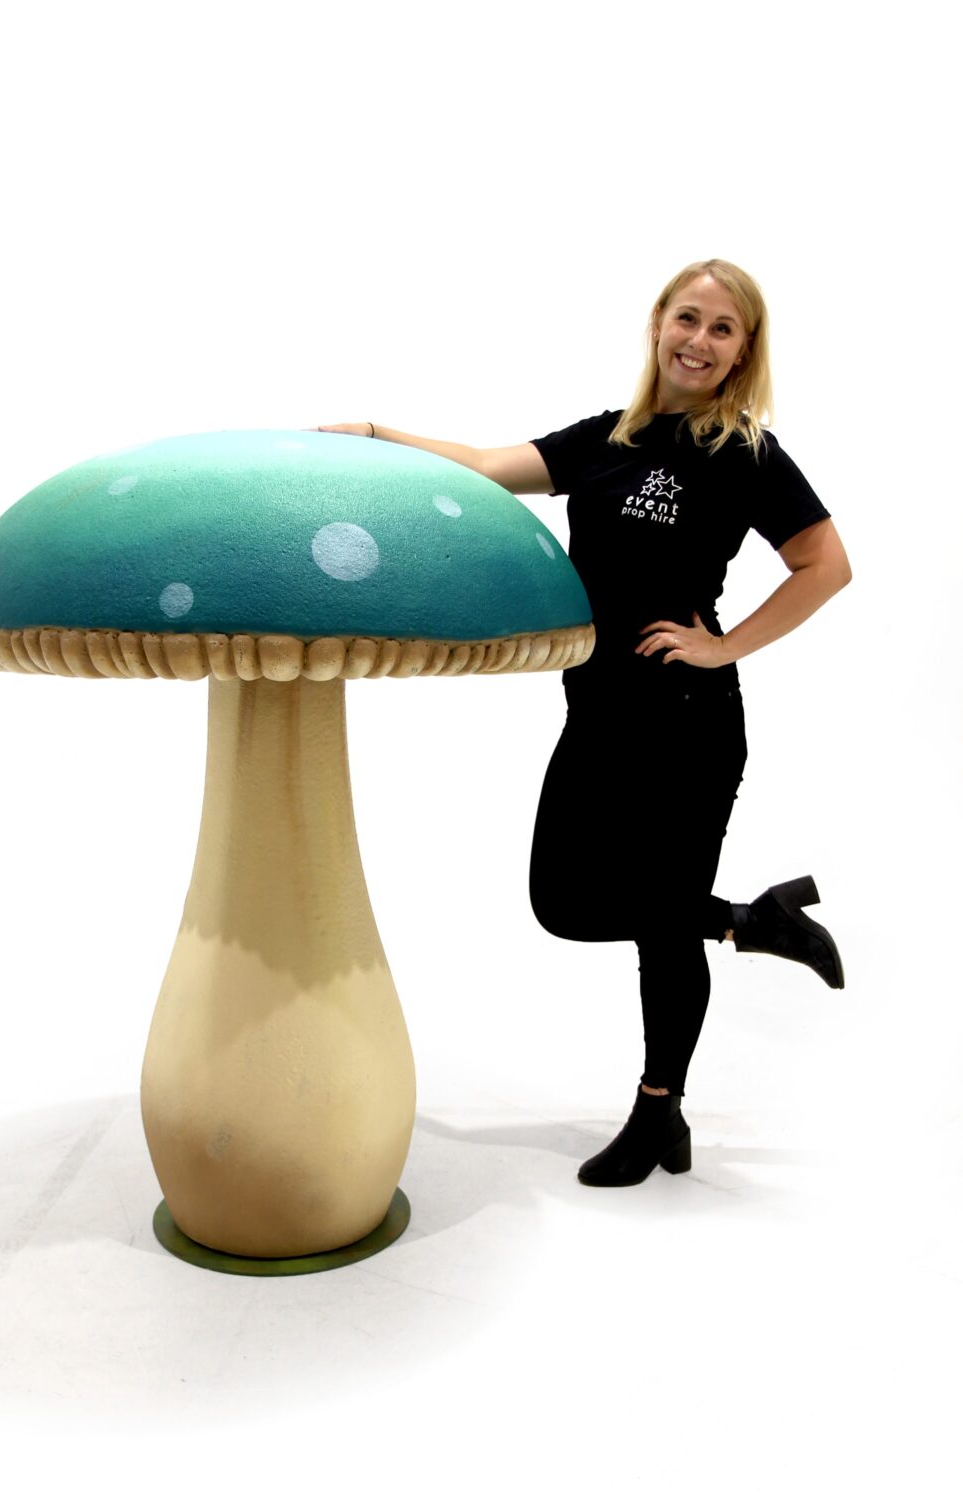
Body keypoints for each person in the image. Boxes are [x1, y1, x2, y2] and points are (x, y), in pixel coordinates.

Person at [316, 257, 851, 1188]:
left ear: (743, 351)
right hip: (596, 715)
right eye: (689, 318)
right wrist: (373, 435)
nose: (700, 341)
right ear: (659, 324)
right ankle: (750, 921)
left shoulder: (745, 453)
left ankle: (658, 1113)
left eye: (723, 329)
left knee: (660, 933)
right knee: (562, 901)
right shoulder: (606, 438)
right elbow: (486, 467)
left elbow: (826, 564)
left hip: (687, 724)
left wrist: (724, 647)